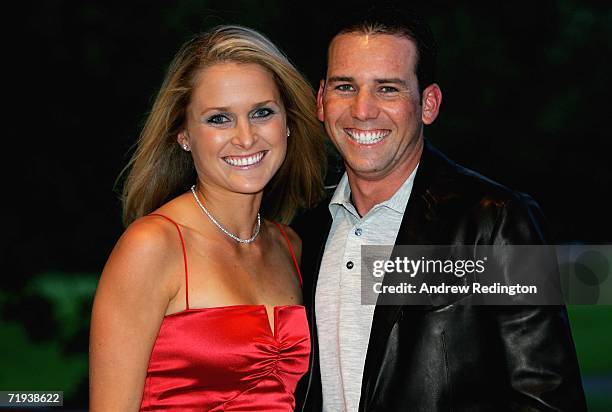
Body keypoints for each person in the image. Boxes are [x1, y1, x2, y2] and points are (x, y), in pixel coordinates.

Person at [292, 6, 587, 411]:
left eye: (388, 88)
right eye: (346, 87)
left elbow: (549, 398)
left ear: (428, 103)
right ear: (321, 101)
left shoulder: (500, 220)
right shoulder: (303, 231)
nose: (363, 109)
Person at [89, 25, 326, 411]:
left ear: (288, 122)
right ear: (184, 134)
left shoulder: (291, 246)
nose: (246, 138)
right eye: (219, 119)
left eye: (262, 112)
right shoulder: (152, 247)